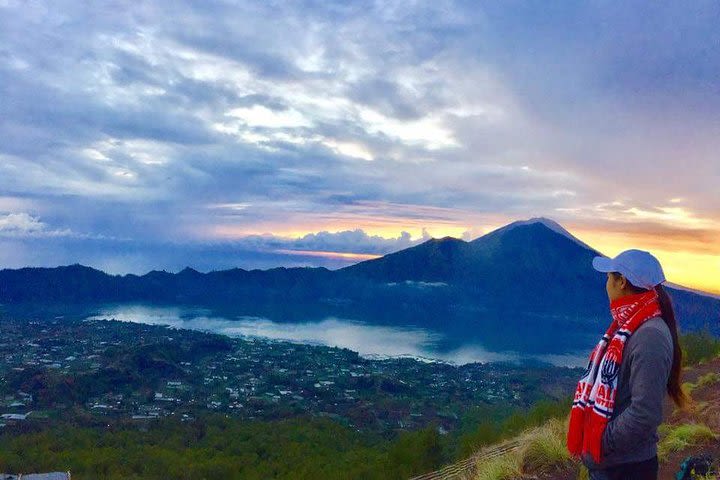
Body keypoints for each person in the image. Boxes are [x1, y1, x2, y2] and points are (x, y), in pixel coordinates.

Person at [566, 249, 688, 480]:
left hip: (626, 469)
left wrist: (599, 442)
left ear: (621, 281)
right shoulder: (628, 327)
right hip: (615, 465)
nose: (606, 284)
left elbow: (645, 414)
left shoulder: (649, 335)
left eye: (609, 277)